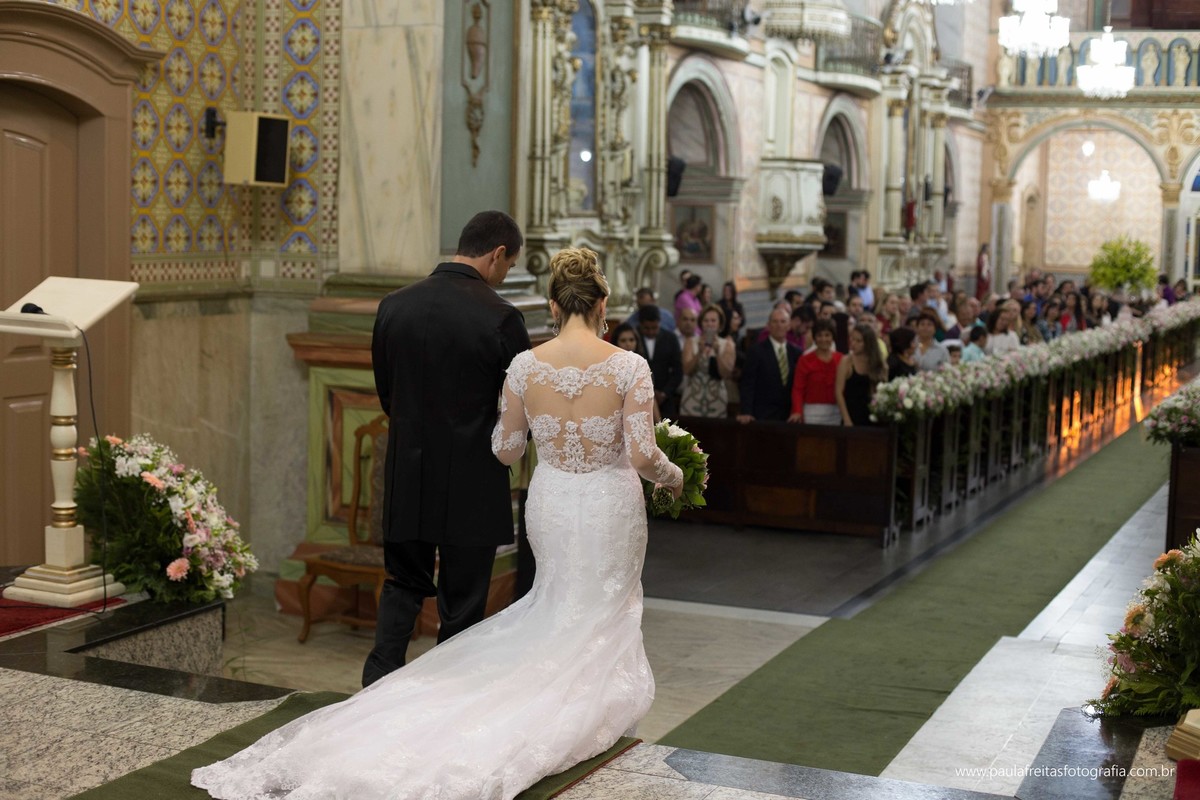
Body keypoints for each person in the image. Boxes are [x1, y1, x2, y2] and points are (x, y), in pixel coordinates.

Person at [193, 246, 683, 799]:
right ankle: (592, 714)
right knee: (604, 607)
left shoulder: (526, 366)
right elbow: (642, 456)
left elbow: (505, 449)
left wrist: (541, 435)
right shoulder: (628, 366)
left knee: (555, 601)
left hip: (551, 502)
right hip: (609, 504)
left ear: (552, 305)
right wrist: (675, 477)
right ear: (602, 305)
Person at [358, 210, 532, 689]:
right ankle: (445, 701)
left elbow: (388, 396)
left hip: (408, 476)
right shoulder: (502, 317)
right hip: (471, 482)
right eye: (509, 265)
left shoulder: (394, 306)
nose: (505, 275)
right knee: (463, 603)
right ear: (497, 254)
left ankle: (375, 689)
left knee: (401, 585)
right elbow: (517, 412)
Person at [738, 305, 800, 423]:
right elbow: (747, 384)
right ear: (768, 325)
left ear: (789, 325)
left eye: (783, 321)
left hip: (789, 417)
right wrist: (746, 411)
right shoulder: (756, 351)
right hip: (763, 416)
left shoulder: (797, 352)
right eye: (775, 322)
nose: (779, 325)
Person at [681, 305, 736, 418]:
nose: (709, 324)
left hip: (717, 400)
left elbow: (726, 373)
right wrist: (699, 353)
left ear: (720, 324)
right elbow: (686, 370)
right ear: (701, 323)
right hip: (692, 399)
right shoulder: (690, 342)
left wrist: (718, 353)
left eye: (713, 321)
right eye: (706, 321)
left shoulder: (727, 345)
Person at [788, 319, 842, 425]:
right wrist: (797, 411)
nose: (823, 339)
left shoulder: (841, 359)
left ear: (833, 337)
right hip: (811, 414)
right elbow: (798, 389)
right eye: (819, 335)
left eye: (827, 335)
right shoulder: (805, 360)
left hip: (837, 413)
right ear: (814, 338)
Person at [638, 305, 683, 419]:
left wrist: (664, 393)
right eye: (646, 328)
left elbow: (678, 370)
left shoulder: (670, 338)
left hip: (665, 399)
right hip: (638, 398)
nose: (651, 332)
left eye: (654, 328)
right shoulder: (634, 337)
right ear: (640, 325)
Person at [837, 323, 886, 426]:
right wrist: (846, 419)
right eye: (852, 339)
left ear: (868, 343)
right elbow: (838, 392)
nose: (853, 343)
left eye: (858, 341)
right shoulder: (846, 361)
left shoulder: (879, 363)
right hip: (852, 414)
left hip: (873, 416)